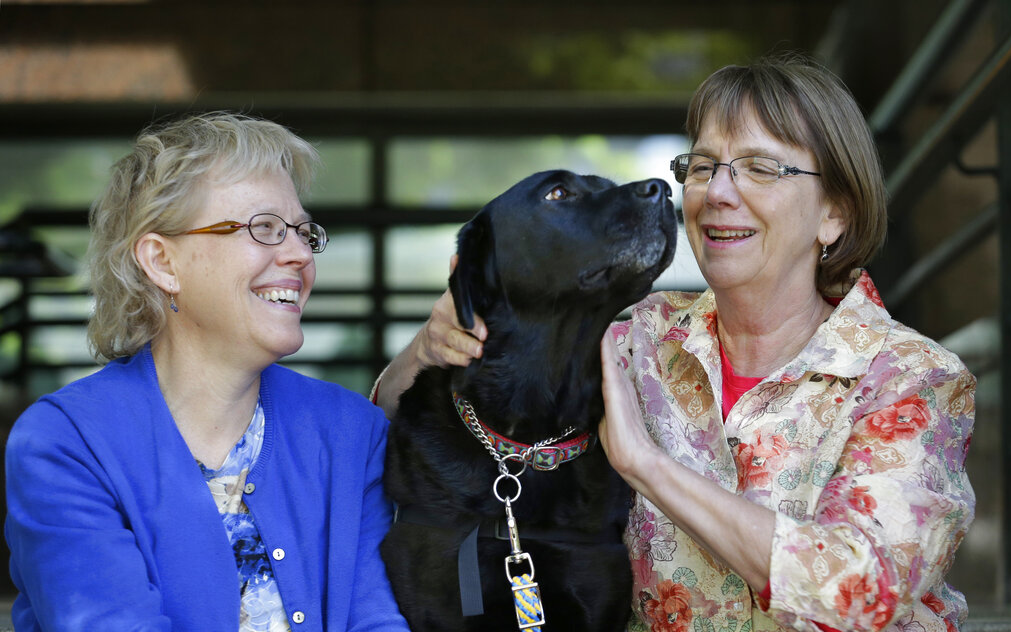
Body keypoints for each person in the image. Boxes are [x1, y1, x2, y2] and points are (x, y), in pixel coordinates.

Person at [375, 55, 975, 632]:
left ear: (834, 215)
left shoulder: (911, 379)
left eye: (761, 168)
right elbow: (394, 416)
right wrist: (427, 349)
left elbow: (858, 593)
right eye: (704, 166)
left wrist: (649, 467)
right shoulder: (637, 338)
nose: (717, 192)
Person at [5, 112, 409, 631]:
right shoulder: (66, 443)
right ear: (162, 262)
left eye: (304, 232)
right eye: (264, 228)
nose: (299, 253)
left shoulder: (353, 431)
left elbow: (376, 619)